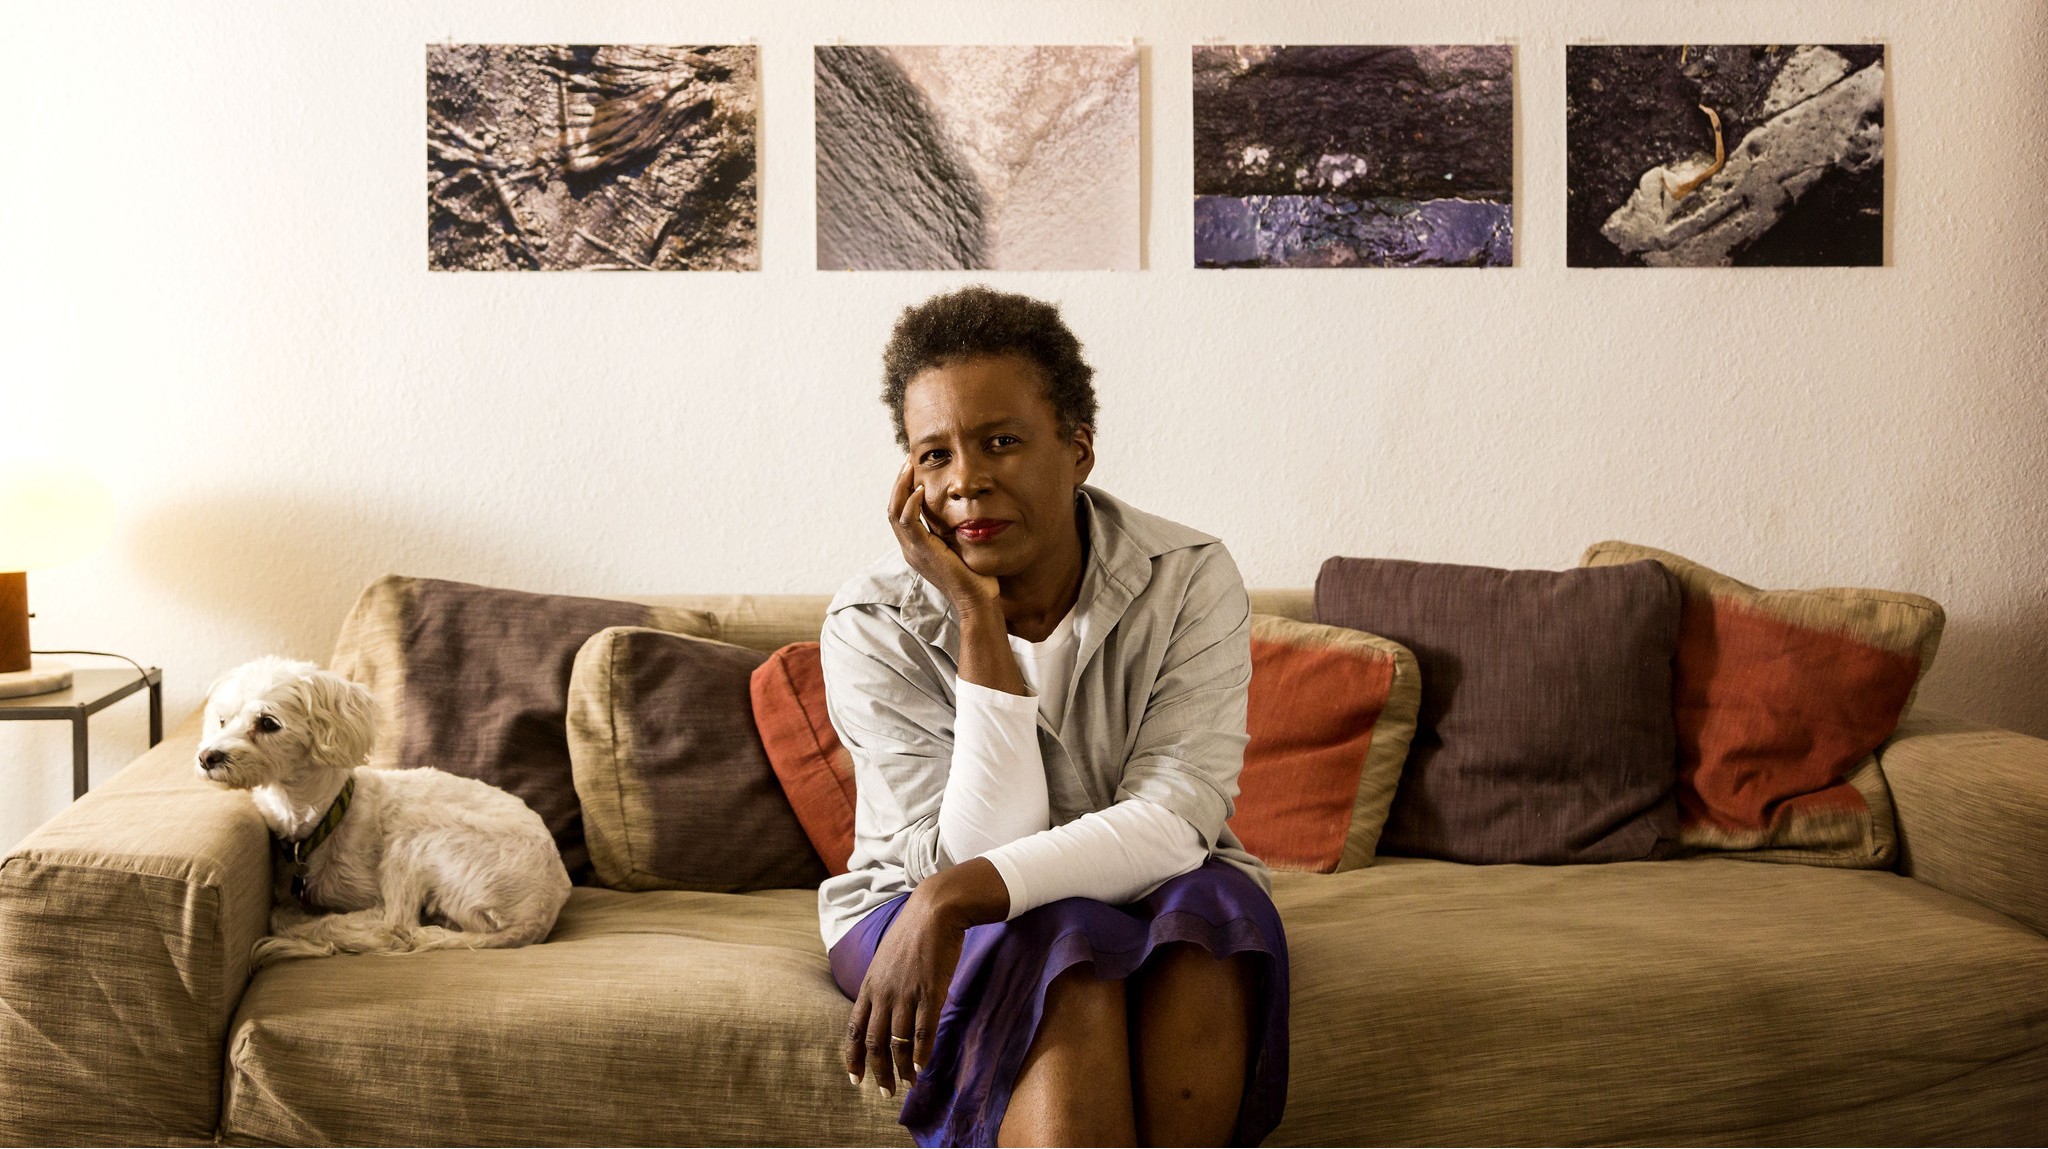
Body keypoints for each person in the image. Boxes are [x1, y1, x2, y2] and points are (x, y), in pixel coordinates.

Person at [817, 285, 1289, 1147]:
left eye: (1000, 441)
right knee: (1064, 941)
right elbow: (974, 846)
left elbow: (1175, 817)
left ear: (1078, 449)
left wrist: (951, 897)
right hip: (905, 901)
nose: (965, 481)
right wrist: (975, 614)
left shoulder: (1187, 575)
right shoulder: (874, 622)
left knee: (1217, 912)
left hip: (1112, 883)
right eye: (934, 455)